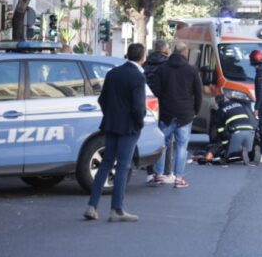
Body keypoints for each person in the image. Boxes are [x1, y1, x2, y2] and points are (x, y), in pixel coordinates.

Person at [84, 43, 147, 222]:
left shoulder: (113, 73)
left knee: (106, 164)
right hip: (129, 127)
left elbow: (102, 99)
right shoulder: (138, 76)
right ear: (143, 57)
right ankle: (117, 209)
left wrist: (111, 116)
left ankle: (92, 206)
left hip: (111, 125)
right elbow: (138, 107)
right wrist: (139, 122)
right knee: (122, 167)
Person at [153, 41, 202, 188]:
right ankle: (179, 178)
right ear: (185, 53)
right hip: (185, 114)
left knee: (162, 144)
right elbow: (198, 94)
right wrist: (196, 111)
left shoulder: (162, 69)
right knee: (181, 146)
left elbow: (156, 91)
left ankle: (159, 174)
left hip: (166, 113)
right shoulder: (192, 70)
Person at [210, 93, 256, 164]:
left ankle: (238, 154)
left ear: (218, 103)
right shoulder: (238, 104)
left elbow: (221, 130)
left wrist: (224, 144)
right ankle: (251, 153)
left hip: (237, 132)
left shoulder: (220, 111)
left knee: (227, 156)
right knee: (247, 148)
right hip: (250, 130)